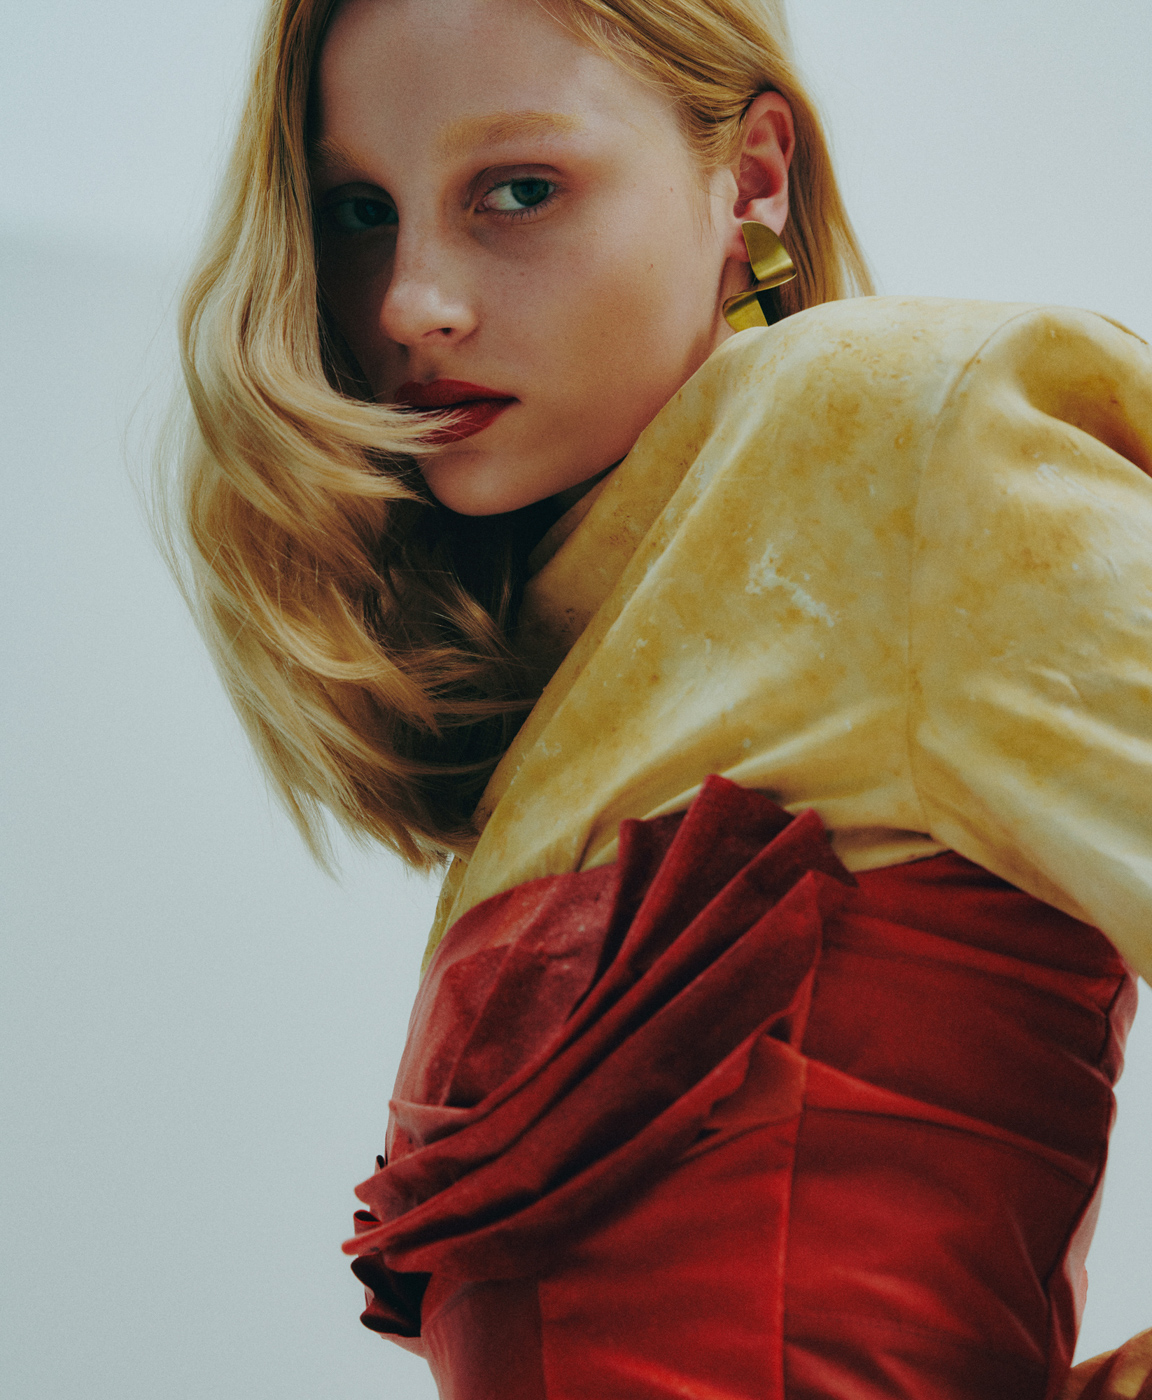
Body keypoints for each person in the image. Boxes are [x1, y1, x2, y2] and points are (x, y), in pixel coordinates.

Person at [161, 0, 1152, 1394]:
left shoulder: (895, 442)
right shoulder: (570, 657)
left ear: (752, 180)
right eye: (359, 212)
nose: (409, 303)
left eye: (519, 189)